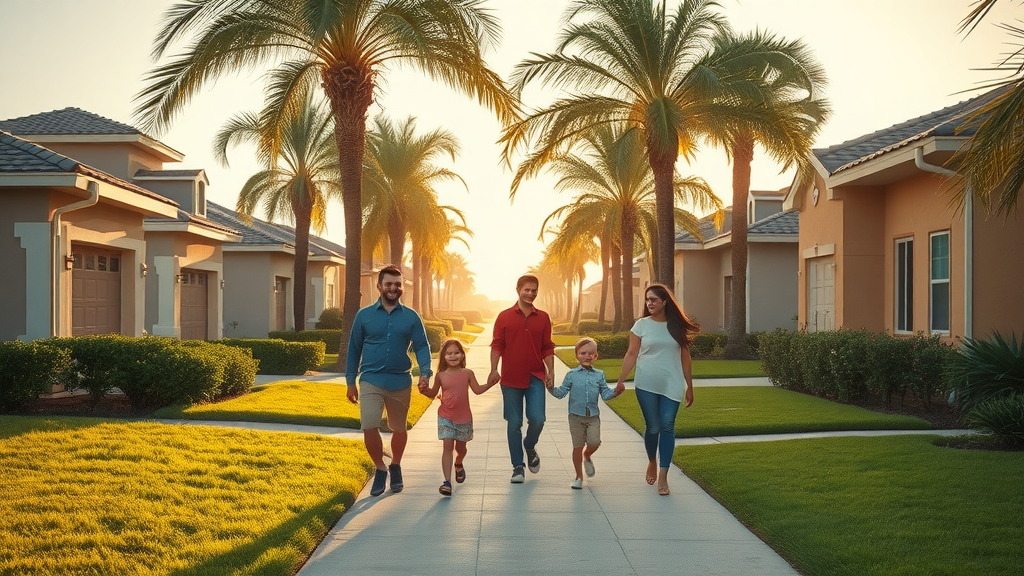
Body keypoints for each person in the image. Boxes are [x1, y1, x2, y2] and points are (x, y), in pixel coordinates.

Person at [346, 265, 432, 497]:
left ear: (402, 287)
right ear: (379, 286)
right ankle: (381, 468)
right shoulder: (363, 316)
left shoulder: (411, 317)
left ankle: (395, 465)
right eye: (389, 284)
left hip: (400, 381)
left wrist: (425, 372)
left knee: (399, 429)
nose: (393, 288)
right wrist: (350, 380)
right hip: (371, 380)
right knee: (370, 425)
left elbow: (423, 346)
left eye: (397, 284)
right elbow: (353, 348)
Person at [614, 283, 697, 496]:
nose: (649, 303)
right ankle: (652, 460)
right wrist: (621, 380)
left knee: (667, 426)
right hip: (646, 382)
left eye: (654, 300)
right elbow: (631, 353)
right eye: (647, 299)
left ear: (665, 302)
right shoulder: (641, 325)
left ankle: (663, 474)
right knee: (653, 427)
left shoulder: (676, 326)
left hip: (672, 381)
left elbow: (685, 357)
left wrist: (690, 386)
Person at [487, 274, 556, 483]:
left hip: (535, 376)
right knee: (514, 423)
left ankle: (530, 445)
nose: (531, 294)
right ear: (518, 290)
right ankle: (518, 466)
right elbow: (497, 344)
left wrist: (551, 372)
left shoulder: (543, 317)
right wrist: (493, 369)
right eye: (527, 289)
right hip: (510, 379)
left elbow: (547, 346)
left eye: (534, 290)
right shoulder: (504, 317)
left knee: (538, 419)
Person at [421, 338, 496, 496]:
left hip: (464, 418)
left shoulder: (468, 373)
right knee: (447, 447)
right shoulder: (441, 375)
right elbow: (433, 393)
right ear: (444, 357)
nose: (453, 356)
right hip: (445, 416)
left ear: (462, 355)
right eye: (449, 353)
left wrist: (490, 384)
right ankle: (447, 482)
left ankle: (459, 463)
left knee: (460, 449)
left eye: (456, 352)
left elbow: (477, 390)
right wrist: (424, 390)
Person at [549, 337, 620, 490]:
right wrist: (550, 388)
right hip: (575, 417)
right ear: (577, 355)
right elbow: (561, 393)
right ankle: (579, 477)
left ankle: (587, 455)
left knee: (595, 442)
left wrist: (616, 392)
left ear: (596, 356)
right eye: (583, 353)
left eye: (591, 353)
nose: (587, 356)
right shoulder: (572, 375)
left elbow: (606, 394)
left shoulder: (599, 375)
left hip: (593, 417)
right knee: (577, 446)